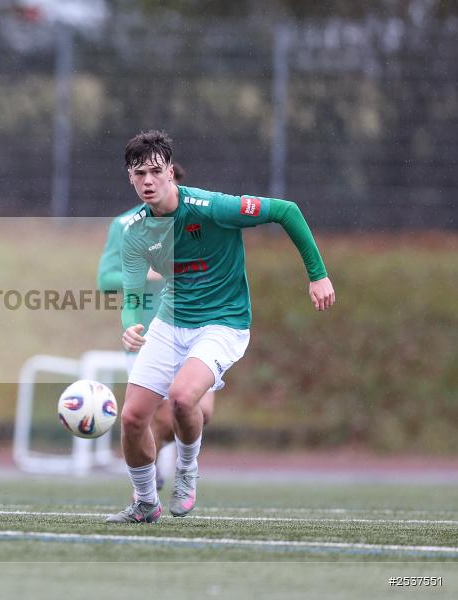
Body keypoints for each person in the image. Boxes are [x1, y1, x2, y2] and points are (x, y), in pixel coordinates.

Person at [106, 130, 335, 523]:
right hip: (169, 323)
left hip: (222, 324)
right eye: (139, 172)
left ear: (171, 173)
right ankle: (145, 502)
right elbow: (132, 292)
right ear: (130, 176)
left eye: (155, 171)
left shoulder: (211, 207)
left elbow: (287, 210)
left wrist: (318, 275)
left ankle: (187, 471)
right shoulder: (136, 231)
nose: (148, 181)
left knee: (181, 399)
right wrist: (129, 324)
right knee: (131, 419)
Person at [97, 163, 216, 493]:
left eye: (169, 180)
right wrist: (146, 276)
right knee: (157, 412)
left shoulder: (195, 220)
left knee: (201, 410)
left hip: (194, 327)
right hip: (149, 335)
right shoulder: (125, 225)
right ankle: (148, 480)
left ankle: (158, 455)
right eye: (145, 177)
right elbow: (105, 280)